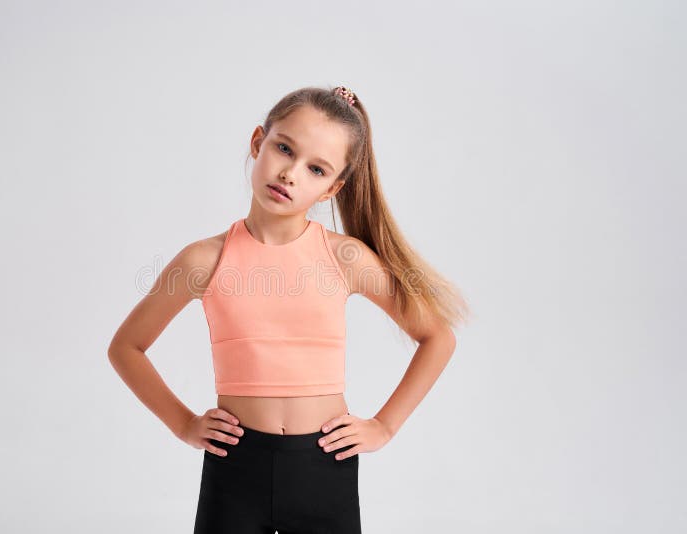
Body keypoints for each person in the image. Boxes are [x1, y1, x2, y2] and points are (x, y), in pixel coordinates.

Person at [107, 85, 469, 534]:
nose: (290, 174)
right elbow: (126, 347)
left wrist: (384, 426)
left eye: (315, 169)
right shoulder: (203, 261)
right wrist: (183, 423)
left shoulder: (346, 259)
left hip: (324, 466)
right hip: (234, 466)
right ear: (258, 143)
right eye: (284, 149)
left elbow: (438, 337)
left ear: (332, 188)